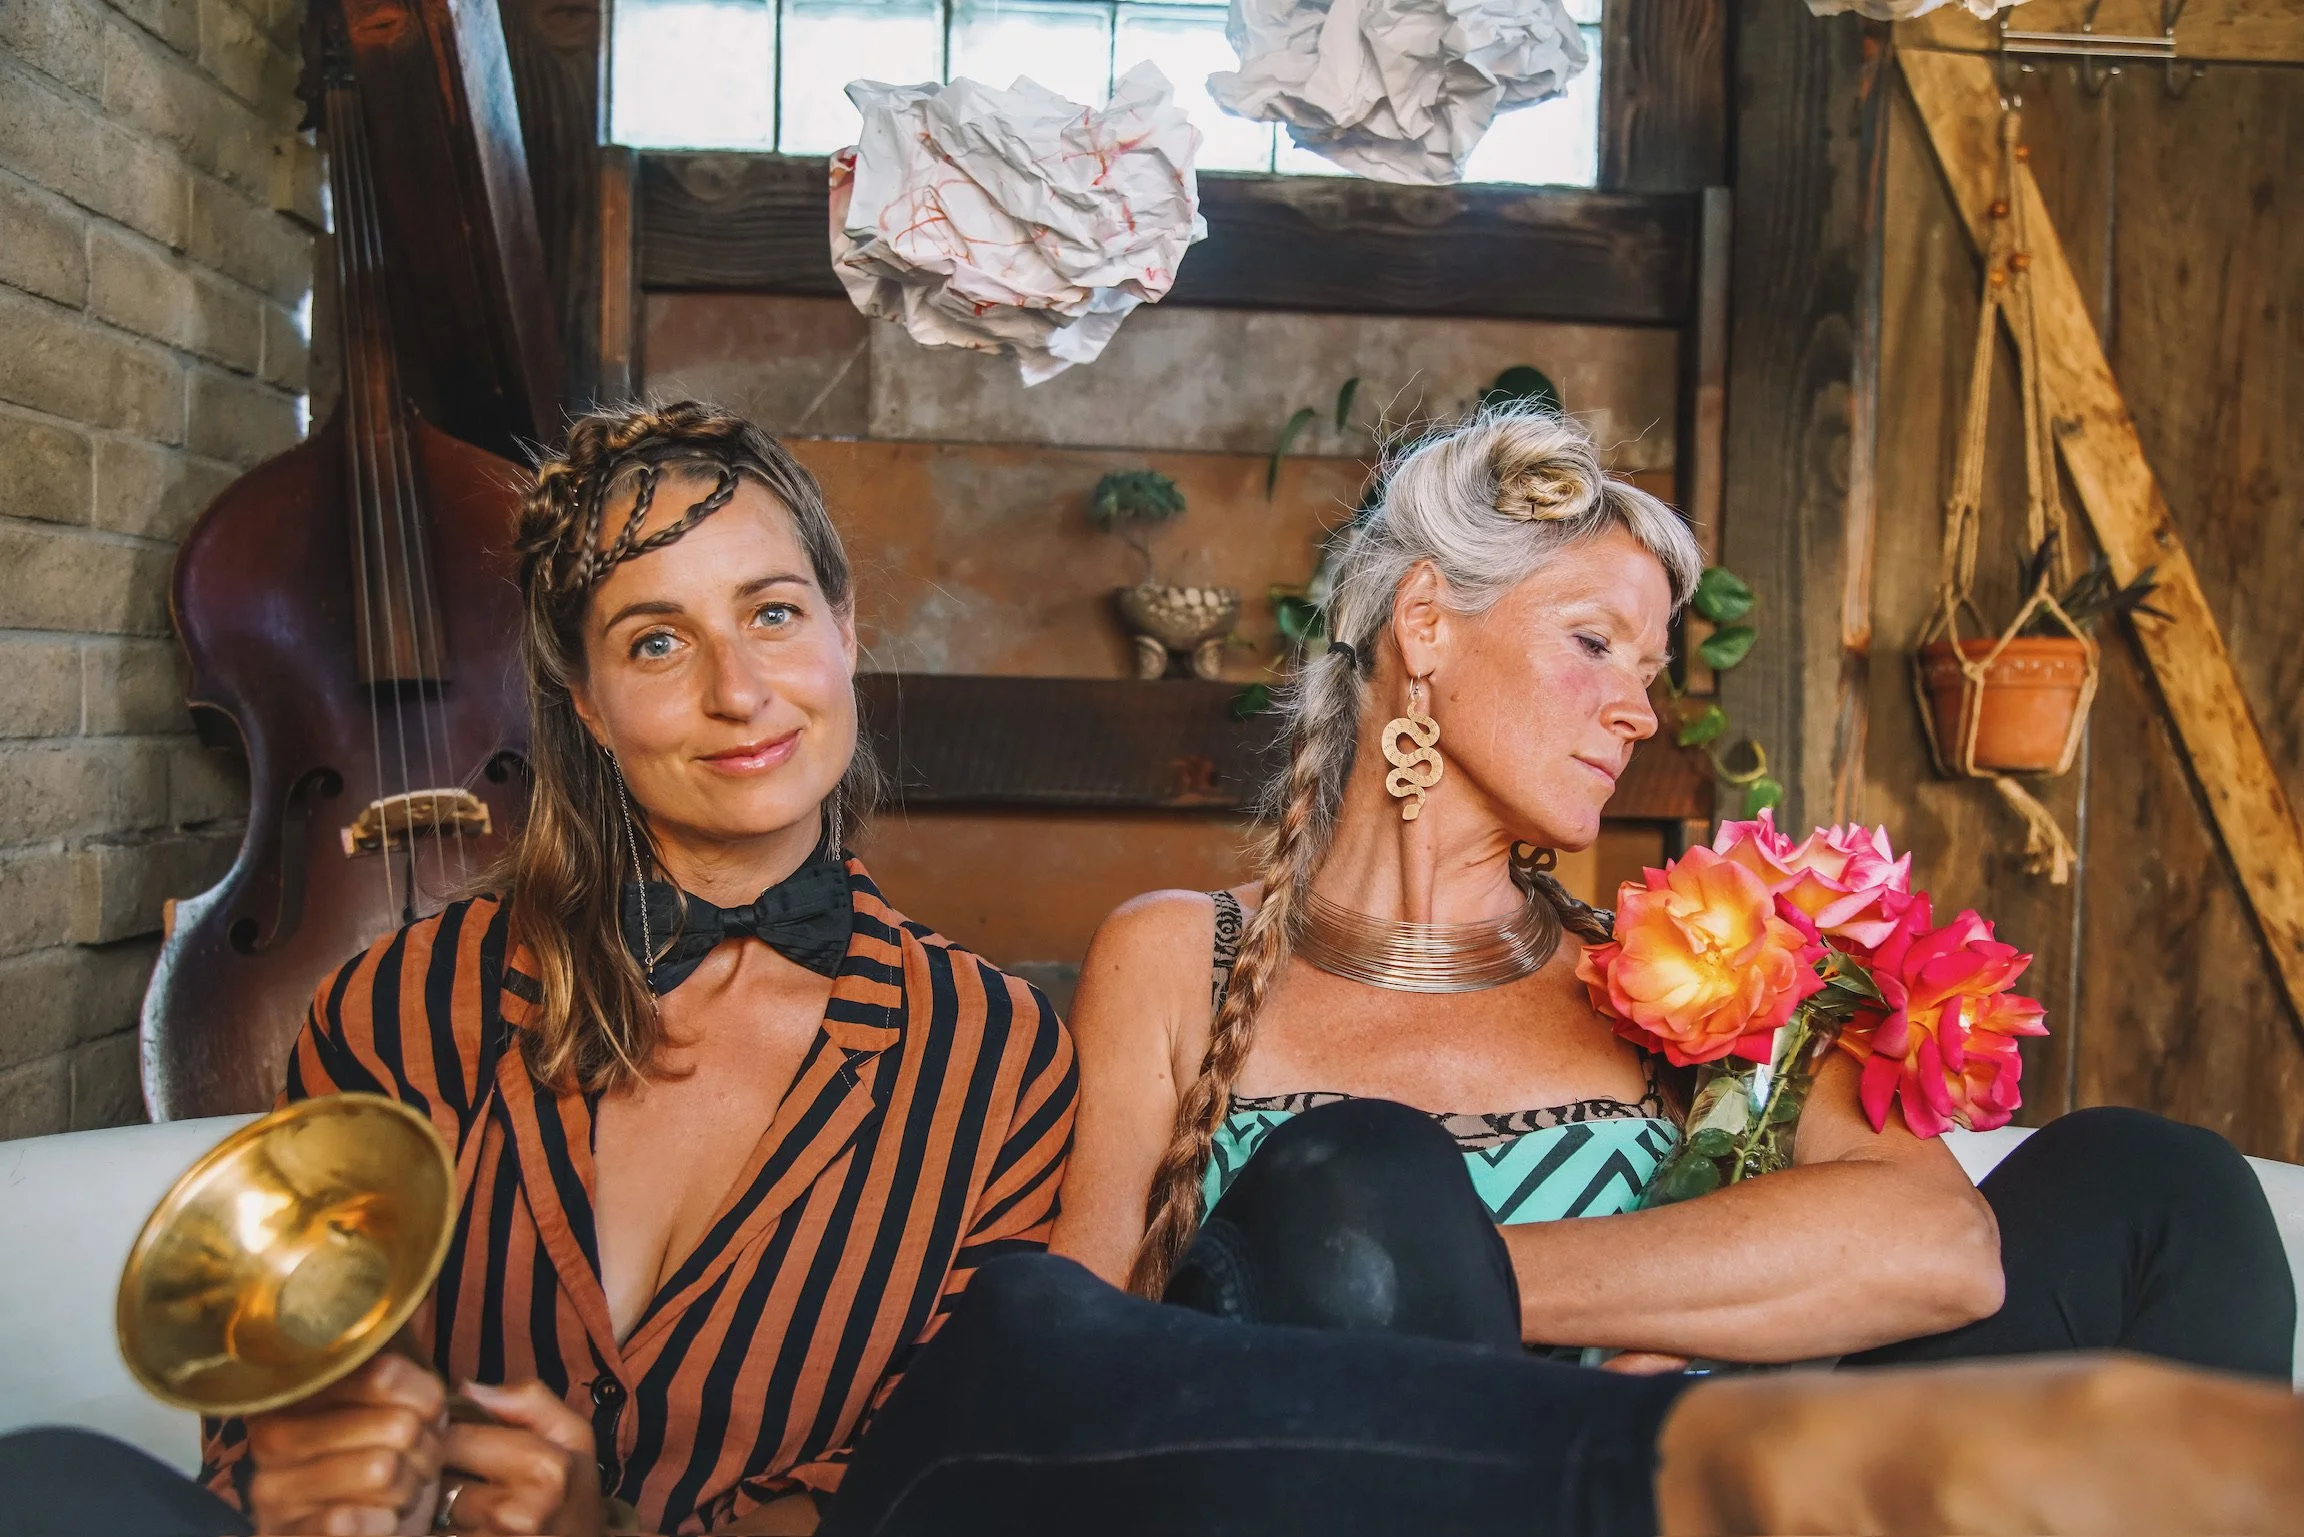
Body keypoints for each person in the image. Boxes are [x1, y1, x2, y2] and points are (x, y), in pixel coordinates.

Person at [810, 405, 2301, 1535]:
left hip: (1678, 1496)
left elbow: (1938, 1248)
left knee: (2155, 1187)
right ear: (1425, 630)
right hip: (1346, 1497)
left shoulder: (1684, 968)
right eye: (1595, 643)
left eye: (1652, 672)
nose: (1636, 710)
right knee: (1357, 1180)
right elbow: (1075, 1342)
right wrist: (1368, 1287)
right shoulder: (1179, 955)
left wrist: (1452, 1293)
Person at [10, 401, 1074, 1537]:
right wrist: (319, 1482)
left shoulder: (997, 1061)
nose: (738, 690)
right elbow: (275, 1421)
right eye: (656, 641)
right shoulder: (396, 1009)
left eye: (771, 613)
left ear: (844, 632)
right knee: (48, 1482)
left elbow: (942, 1491)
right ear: (586, 701)